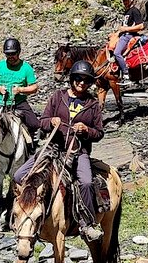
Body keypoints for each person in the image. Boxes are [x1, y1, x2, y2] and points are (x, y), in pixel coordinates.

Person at [14, 60, 105, 241]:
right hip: (53, 149)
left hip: (78, 152)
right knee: (19, 175)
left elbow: (99, 132)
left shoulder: (93, 104)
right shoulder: (58, 97)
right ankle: (21, 215)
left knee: (86, 182)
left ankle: (87, 224)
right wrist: (52, 121)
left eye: (86, 80)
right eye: (78, 78)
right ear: (72, 79)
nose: (82, 83)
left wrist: (86, 130)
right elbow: (43, 121)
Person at [0, 38, 39, 130]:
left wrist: (20, 90)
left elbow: (34, 87)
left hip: (18, 102)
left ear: (18, 52)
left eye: (13, 54)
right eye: (8, 54)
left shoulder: (26, 68)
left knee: (34, 124)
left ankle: (31, 142)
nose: (10, 56)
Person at [109, 0, 145, 87]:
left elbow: (141, 26)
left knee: (117, 53)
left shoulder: (134, 11)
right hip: (123, 34)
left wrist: (126, 29)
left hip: (128, 35)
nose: (124, 2)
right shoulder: (126, 12)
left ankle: (126, 75)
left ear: (131, 0)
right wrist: (117, 33)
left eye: (126, 0)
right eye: (123, 0)